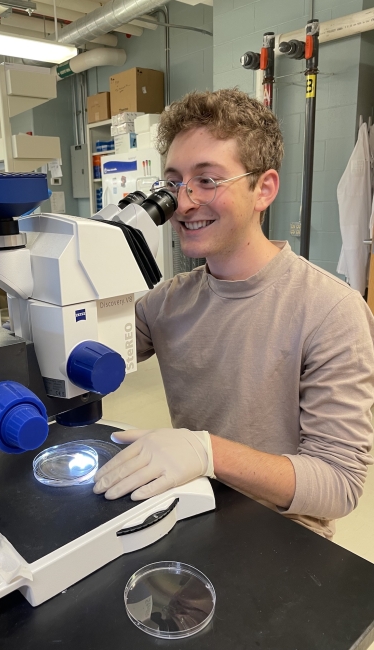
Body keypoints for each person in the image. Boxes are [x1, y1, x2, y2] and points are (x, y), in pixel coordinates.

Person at [93, 88, 374, 539]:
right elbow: (86, 352)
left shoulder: (332, 312)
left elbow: (338, 485)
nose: (183, 204)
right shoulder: (164, 303)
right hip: (194, 513)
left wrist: (207, 452)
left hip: (283, 537)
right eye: (173, 184)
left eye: (207, 181)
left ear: (263, 188)